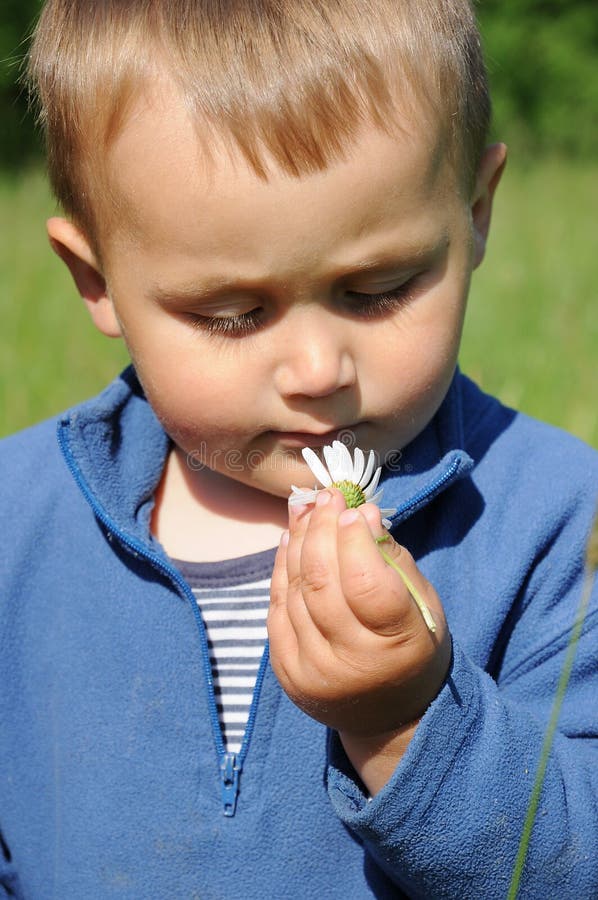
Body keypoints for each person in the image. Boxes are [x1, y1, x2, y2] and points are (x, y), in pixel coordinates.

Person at [0, 1, 596, 897]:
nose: (319, 370)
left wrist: (406, 724)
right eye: (233, 314)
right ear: (98, 281)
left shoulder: (559, 525)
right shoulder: (18, 523)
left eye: (380, 289)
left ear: (475, 212)